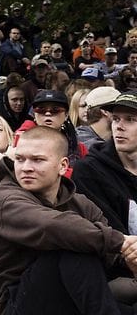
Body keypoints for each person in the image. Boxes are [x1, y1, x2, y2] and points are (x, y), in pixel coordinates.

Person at [0, 126, 137, 315]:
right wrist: (122, 242)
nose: (26, 167)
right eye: (19, 159)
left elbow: (109, 254)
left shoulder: (81, 203)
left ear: (63, 166)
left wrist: (129, 258)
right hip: (16, 304)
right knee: (72, 246)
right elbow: (52, 226)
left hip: (70, 295)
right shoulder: (7, 200)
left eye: (37, 160)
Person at [72, 92, 137, 307]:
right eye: (116, 118)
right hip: (117, 271)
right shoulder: (90, 170)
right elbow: (110, 234)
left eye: (131, 120)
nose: (119, 126)